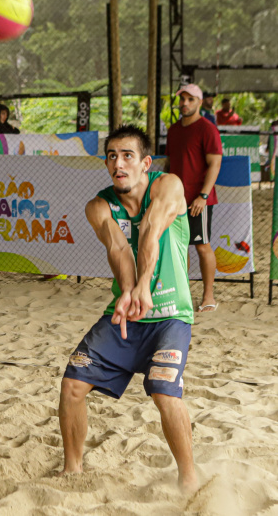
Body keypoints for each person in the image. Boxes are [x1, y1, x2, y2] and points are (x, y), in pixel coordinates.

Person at [59, 124, 198, 494]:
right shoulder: (99, 206)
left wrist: (142, 286)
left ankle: (189, 477)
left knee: (164, 391)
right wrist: (127, 290)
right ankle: (72, 470)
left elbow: (151, 230)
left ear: (145, 163)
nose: (118, 164)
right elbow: (119, 250)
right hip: (125, 316)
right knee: (73, 382)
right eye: (111, 156)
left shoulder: (168, 185)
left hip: (169, 314)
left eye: (127, 156)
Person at [165, 83, 222, 313]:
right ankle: (184, 292)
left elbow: (215, 164)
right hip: (175, 199)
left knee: (202, 247)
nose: (185, 103)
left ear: (199, 102)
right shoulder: (173, 130)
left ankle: (208, 295)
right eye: (182, 99)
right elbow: (170, 164)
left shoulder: (207, 129)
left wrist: (203, 196)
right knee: (179, 247)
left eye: (190, 99)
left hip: (199, 200)